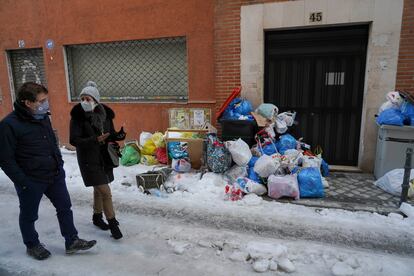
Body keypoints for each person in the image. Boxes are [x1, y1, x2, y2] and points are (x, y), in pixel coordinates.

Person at [0, 82, 97, 260]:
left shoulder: (42, 116)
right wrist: (23, 182)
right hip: (31, 180)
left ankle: (72, 240)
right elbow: (5, 159)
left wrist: (58, 164)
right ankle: (32, 244)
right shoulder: (9, 125)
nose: (46, 104)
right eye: (41, 101)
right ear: (27, 103)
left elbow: (52, 141)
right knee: (29, 215)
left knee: (65, 207)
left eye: (46, 99)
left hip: (53, 174)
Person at [70, 81, 126, 240]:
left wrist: (120, 135)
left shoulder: (105, 114)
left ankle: (96, 217)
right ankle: (113, 223)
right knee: (105, 191)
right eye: (82, 98)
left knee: (99, 190)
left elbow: (111, 134)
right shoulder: (77, 117)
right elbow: (74, 139)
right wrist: (95, 139)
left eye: (88, 98)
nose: (85, 101)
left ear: (96, 100)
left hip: (104, 158)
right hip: (89, 159)